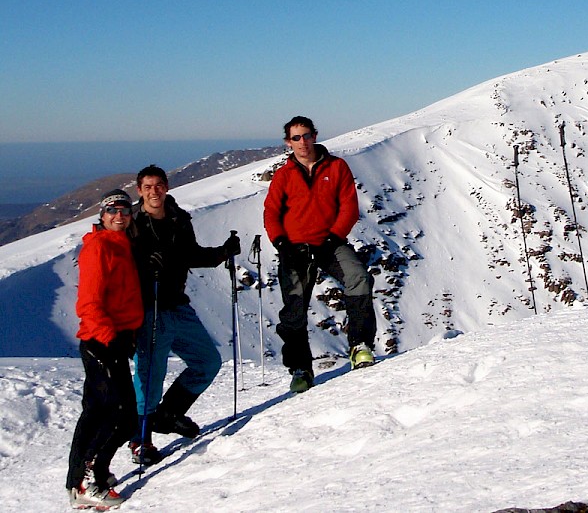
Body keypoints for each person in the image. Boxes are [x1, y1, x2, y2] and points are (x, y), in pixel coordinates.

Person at [128, 165, 240, 465]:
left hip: (177, 305)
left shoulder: (178, 218)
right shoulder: (133, 224)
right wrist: (143, 266)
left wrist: (222, 253)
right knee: (150, 374)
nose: (155, 191)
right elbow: (121, 265)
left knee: (207, 362)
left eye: (159, 185)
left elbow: (190, 254)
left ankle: (168, 414)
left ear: (166, 187)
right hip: (149, 308)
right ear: (139, 190)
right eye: (148, 186)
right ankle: (141, 438)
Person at [264, 115, 377, 393]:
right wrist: (281, 243)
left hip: (329, 243)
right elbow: (271, 212)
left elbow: (349, 206)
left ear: (315, 135)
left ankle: (360, 345)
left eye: (306, 135)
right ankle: (301, 368)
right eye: (296, 138)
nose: (302, 142)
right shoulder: (284, 175)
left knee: (358, 278)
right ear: (287, 143)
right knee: (294, 308)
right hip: (295, 248)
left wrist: (333, 238)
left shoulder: (336, 167)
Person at [66, 189, 144, 510]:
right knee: (119, 415)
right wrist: (109, 340)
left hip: (113, 340)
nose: (119, 215)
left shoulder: (121, 245)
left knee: (99, 412)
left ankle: (81, 479)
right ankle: (88, 482)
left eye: (124, 210)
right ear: (102, 214)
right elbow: (89, 303)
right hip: (102, 342)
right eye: (112, 210)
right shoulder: (99, 248)